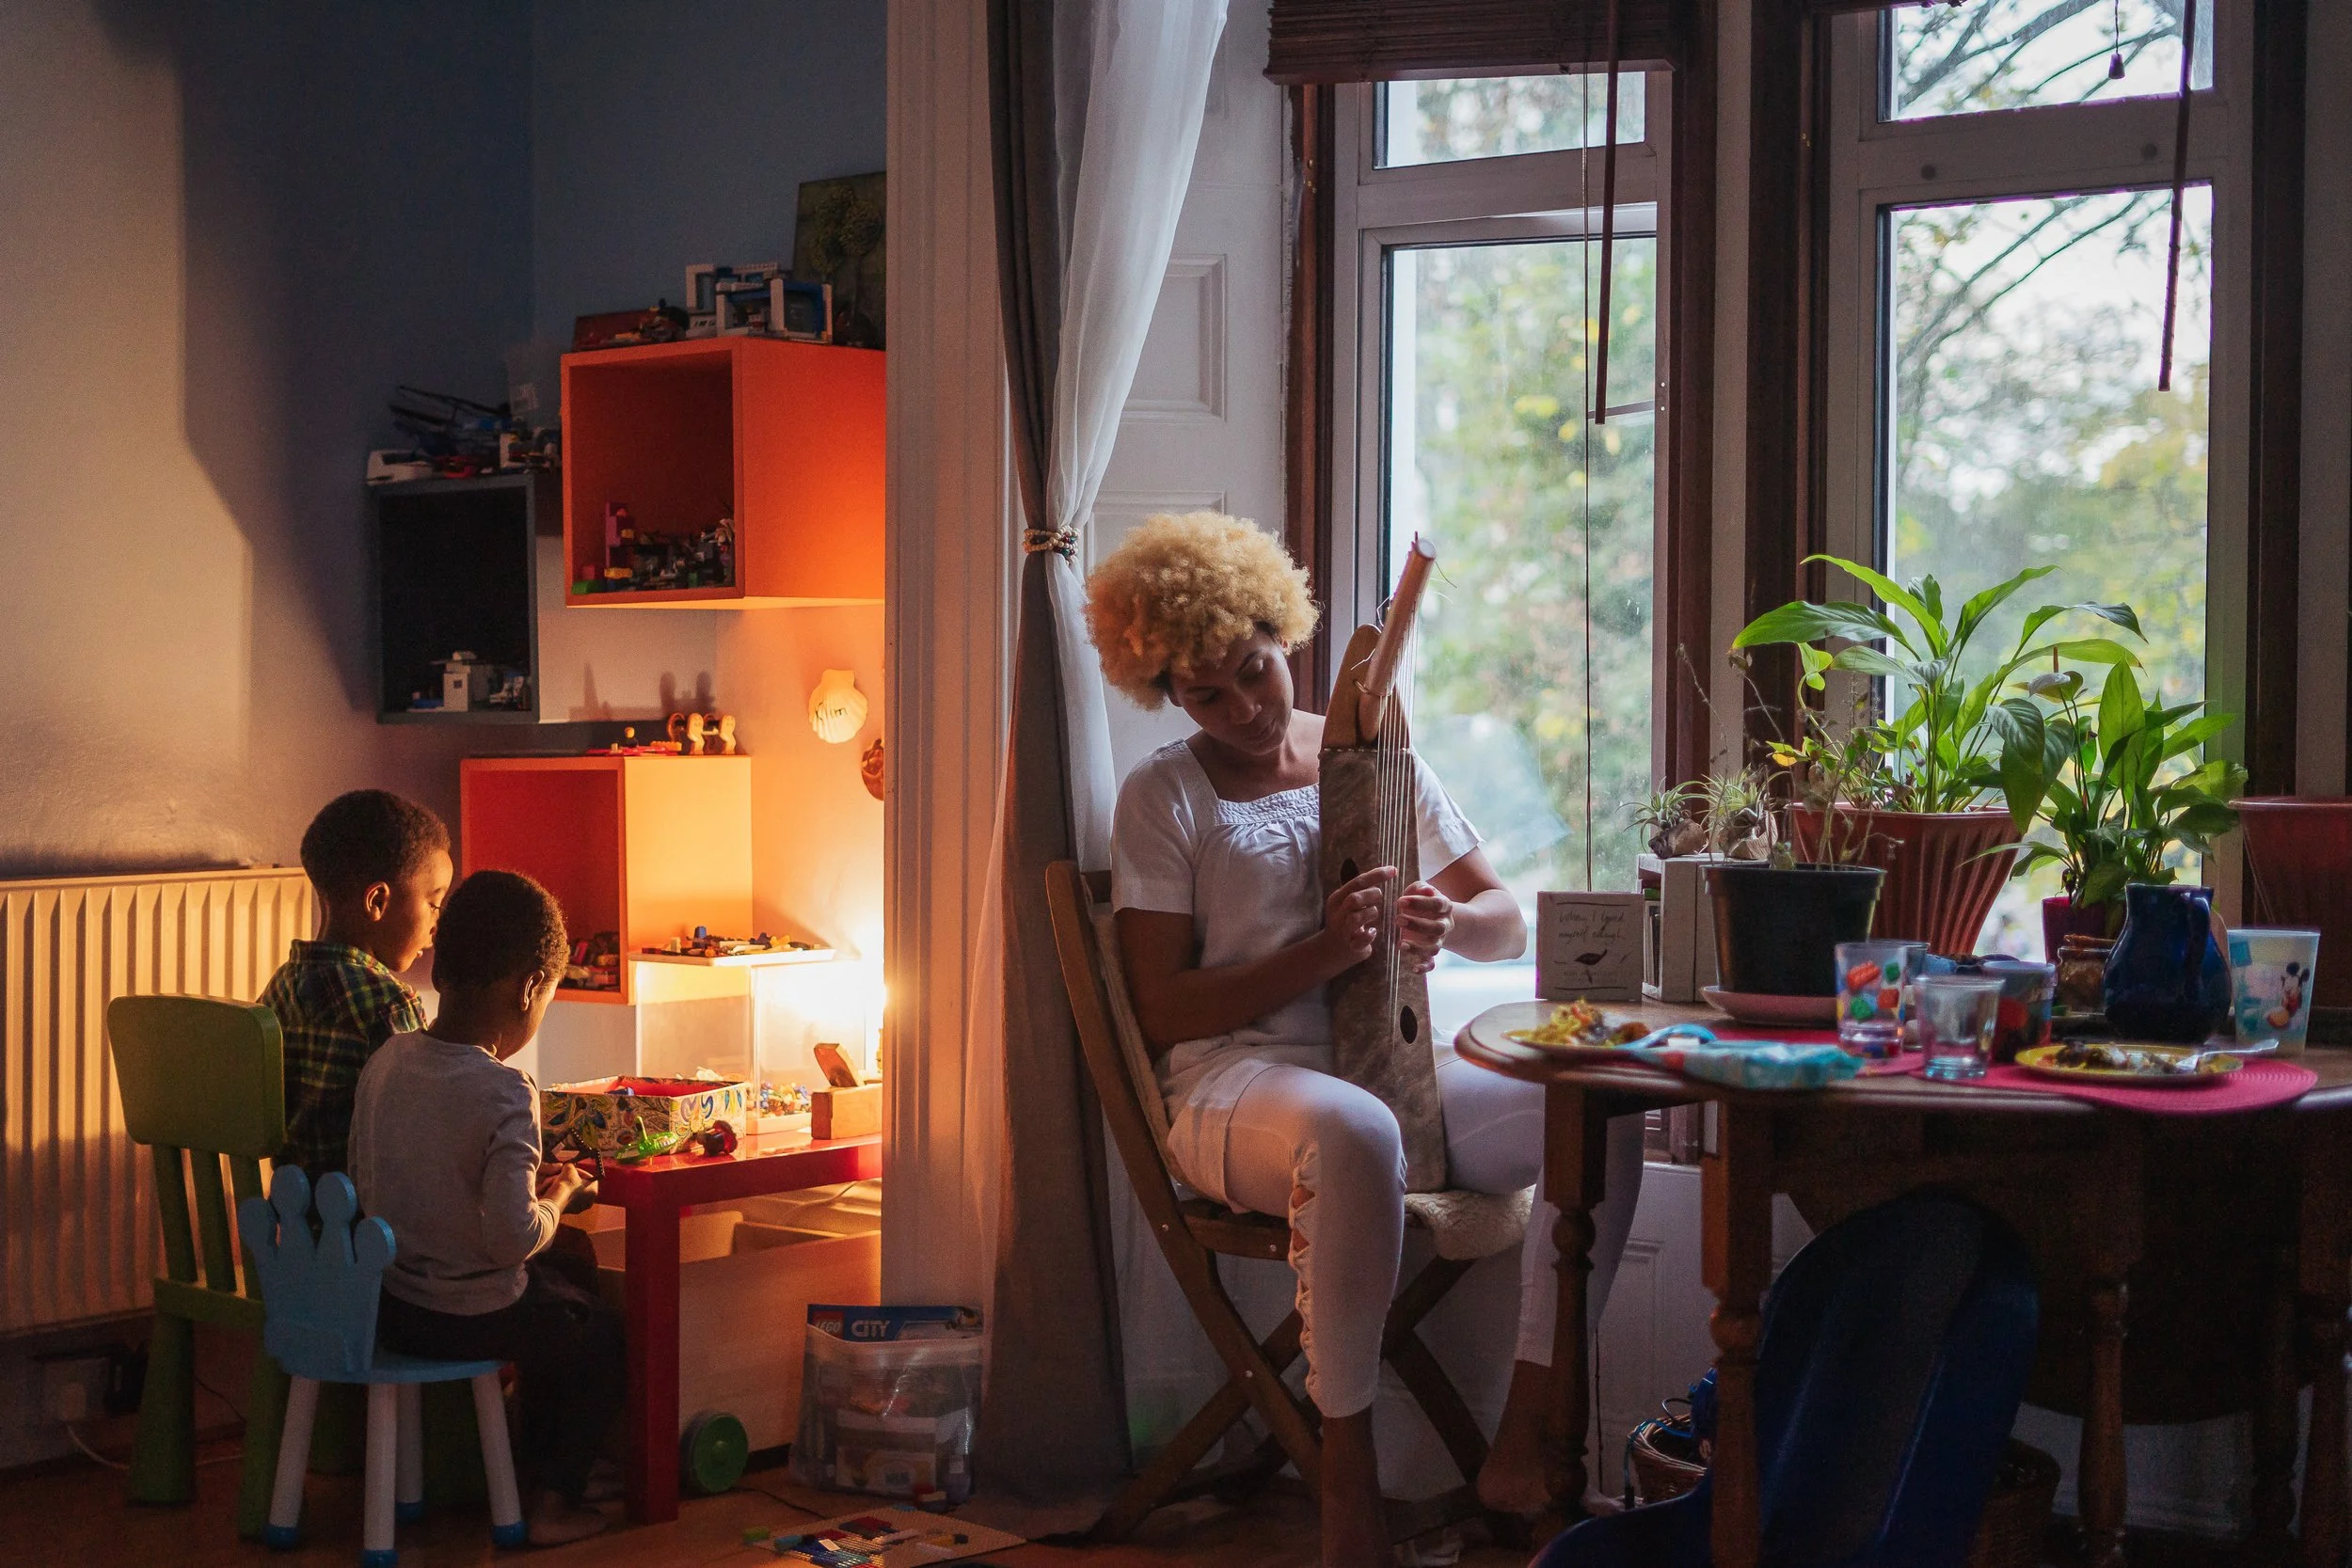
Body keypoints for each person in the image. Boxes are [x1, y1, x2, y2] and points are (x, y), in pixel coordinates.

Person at [1085, 512, 1645, 1567]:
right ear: (1166, 693)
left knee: (1596, 1104)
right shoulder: (1162, 796)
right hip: (1236, 1086)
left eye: (1257, 671)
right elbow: (1163, 1009)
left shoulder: (1378, 755)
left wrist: (1443, 919)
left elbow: (1503, 918)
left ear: (1281, 632)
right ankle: (1345, 1480)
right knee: (1355, 1135)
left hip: (1387, 1062)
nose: (1247, 708)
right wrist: (1324, 949)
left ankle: (1526, 1434)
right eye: (1209, 693)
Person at [348, 870, 620, 1546]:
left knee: (569, 1278)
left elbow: (371, 1176)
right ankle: (554, 1495)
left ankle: (536, 1469)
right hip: (466, 1315)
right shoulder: (505, 1090)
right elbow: (510, 1238)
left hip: (393, 1304)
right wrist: (559, 1193)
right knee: (597, 1334)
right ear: (530, 986)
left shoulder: (388, 1060)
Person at [263, 789, 453, 1177]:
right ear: (377, 902)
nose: (437, 923)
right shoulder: (389, 1004)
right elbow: (423, 1137)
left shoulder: (280, 987)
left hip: (292, 1219)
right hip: (370, 1227)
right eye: (433, 903)